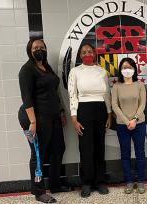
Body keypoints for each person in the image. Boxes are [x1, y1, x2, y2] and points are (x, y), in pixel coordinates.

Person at [18, 38, 70, 203]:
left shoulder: (46, 67)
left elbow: (53, 92)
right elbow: (26, 99)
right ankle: (39, 191)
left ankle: (55, 184)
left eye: (42, 47)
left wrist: (61, 111)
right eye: (35, 47)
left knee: (58, 148)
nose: (39, 49)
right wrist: (32, 123)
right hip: (35, 118)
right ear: (29, 51)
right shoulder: (27, 70)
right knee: (38, 155)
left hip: (53, 116)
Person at [68, 43, 112, 198]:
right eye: (84, 52)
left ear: (94, 53)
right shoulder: (75, 72)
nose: (87, 54)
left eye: (89, 51)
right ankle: (86, 182)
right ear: (80, 55)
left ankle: (99, 181)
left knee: (99, 147)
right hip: (83, 111)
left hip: (100, 110)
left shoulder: (102, 72)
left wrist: (109, 114)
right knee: (86, 148)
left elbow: (107, 95)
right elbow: (72, 95)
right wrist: (74, 118)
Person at [112, 58, 147, 194]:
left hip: (139, 123)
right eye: (124, 67)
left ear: (134, 69)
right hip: (122, 125)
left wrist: (134, 119)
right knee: (125, 154)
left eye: (130, 67)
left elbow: (142, 104)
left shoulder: (139, 85)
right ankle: (128, 182)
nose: (127, 69)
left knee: (140, 153)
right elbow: (114, 105)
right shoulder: (116, 86)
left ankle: (141, 181)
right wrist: (127, 122)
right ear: (120, 70)